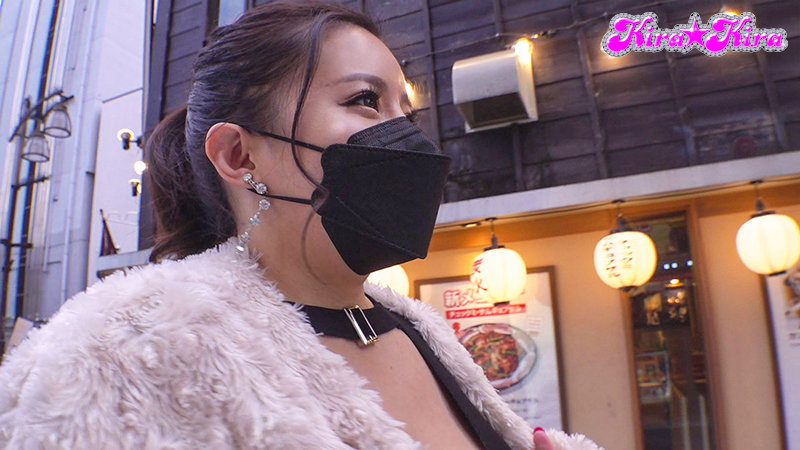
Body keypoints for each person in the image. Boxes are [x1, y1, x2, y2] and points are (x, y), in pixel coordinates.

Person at [0, 2, 600, 449]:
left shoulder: (422, 333)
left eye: (406, 110)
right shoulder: (131, 352)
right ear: (240, 155)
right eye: (366, 100)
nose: (407, 136)